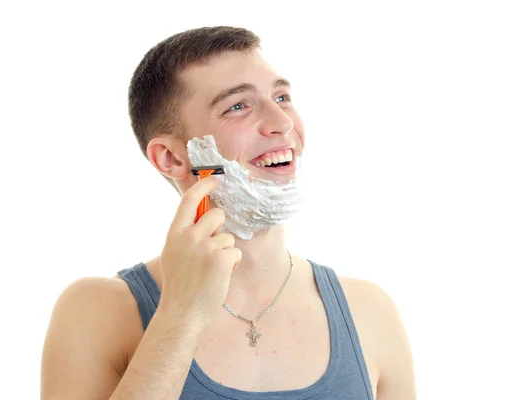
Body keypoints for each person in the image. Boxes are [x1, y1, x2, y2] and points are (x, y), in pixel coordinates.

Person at [41, 26, 416, 400]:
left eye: (282, 97)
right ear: (172, 157)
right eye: (238, 106)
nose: (282, 124)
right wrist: (181, 313)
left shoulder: (369, 312)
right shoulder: (97, 312)